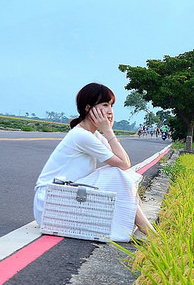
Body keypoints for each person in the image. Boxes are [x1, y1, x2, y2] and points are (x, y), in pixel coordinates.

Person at [33, 83, 156, 239]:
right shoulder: (81, 135)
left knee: (120, 173)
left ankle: (146, 230)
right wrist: (108, 130)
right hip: (50, 202)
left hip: (62, 197)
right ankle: (150, 232)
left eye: (111, 105)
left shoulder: (92, 135)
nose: (110, 111)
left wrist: (106, 131)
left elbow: (124, 163)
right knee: (117, 173)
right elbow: (123, 164)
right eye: (105, 105)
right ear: (88, 108)